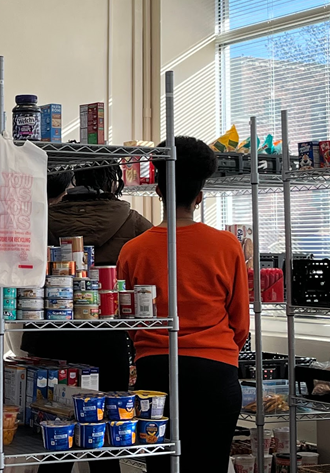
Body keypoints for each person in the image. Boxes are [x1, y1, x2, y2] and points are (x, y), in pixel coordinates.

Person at [117, 136, 249, 473]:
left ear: (159, 191)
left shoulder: (133, 250)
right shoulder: (227, 246)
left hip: (156, 370)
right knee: (210, 465)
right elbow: (239, 323)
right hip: (215, 370)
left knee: (161, 466)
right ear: (200, 196)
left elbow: (128, 319)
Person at [22, 164, 152, 473]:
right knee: (106, 441)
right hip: (106, 338)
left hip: (50, 333)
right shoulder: (134, 222)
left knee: (53, 442)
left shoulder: (40, 219)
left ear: (73, 178)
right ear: (113, 180)